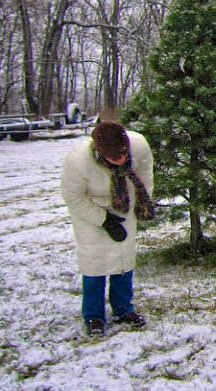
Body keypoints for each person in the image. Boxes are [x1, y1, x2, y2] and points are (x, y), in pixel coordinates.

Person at [60, 120, 155, 337]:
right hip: (90, 207)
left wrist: (144, 202)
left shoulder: (138, 145)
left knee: (123, 257)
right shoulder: (78, 161)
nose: (121, 160)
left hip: (124, 202)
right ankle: (93, 315)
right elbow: (73, 197)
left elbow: (146, 174)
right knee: (94, 261)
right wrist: (103, 220)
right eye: (114, 158)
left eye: (123, 155)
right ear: (101, 153)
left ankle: (123, 309)